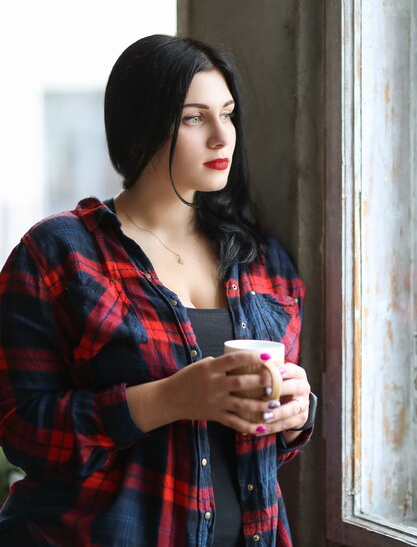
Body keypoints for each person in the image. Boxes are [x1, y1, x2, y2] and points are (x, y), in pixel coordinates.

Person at [0, 34, 315, 547]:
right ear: (142, 123)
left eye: (228, 114)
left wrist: (294, 417)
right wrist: (168, 399)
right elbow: (22, 431)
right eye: (195, 118)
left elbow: (256, 446)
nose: (222, 137)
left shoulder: (263, 260)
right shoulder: (58, 253)